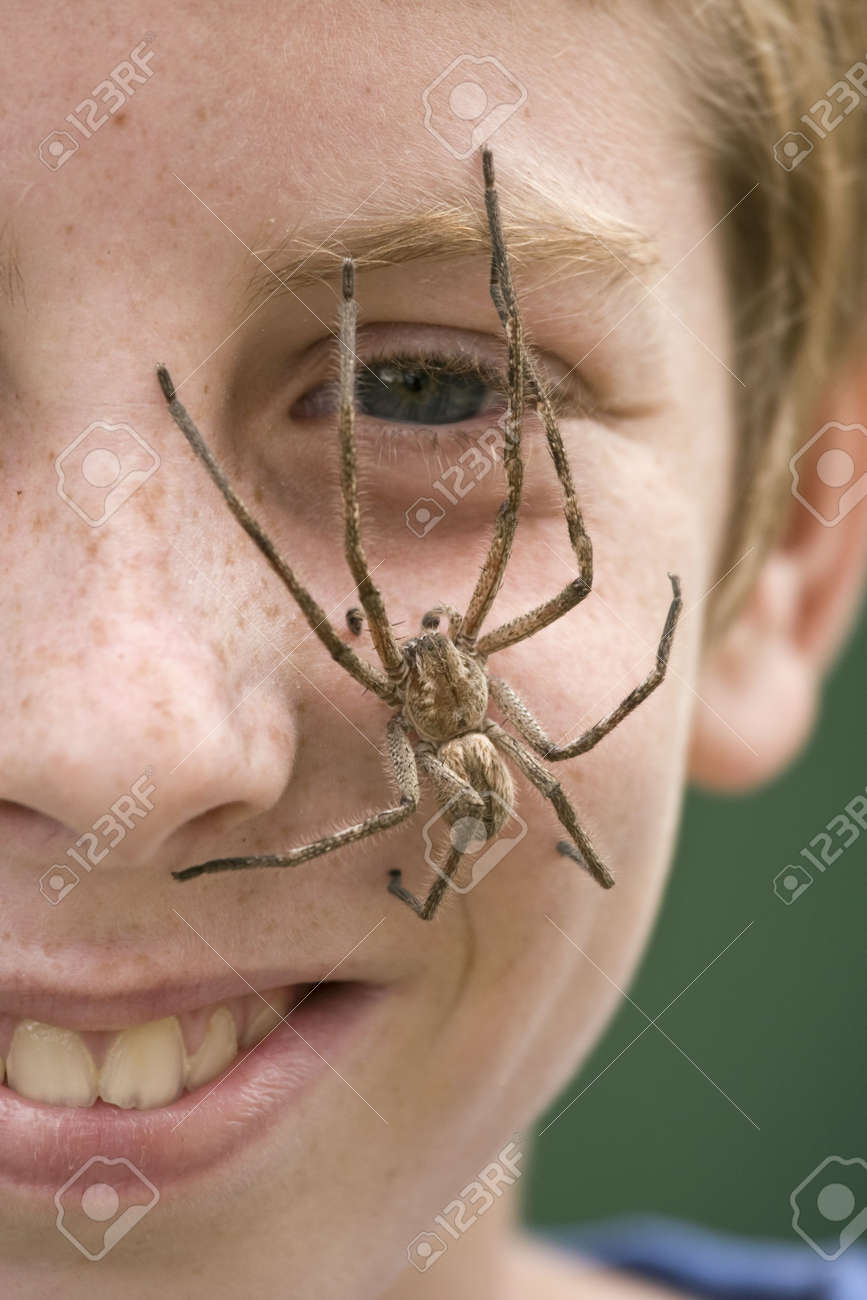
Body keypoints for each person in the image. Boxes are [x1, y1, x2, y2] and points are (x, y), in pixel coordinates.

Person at [2, 2, 866, 1296]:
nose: (117, 745)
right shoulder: (403, 623)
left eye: (426, 388)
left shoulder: (481, 728)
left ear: (787, 550)